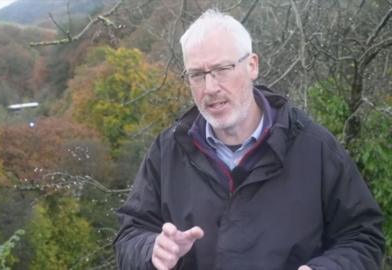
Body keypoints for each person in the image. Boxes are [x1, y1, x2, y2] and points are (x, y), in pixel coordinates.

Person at [113, 9, 384, 270]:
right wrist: (152, 249)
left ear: (252, 65)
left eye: (222, 68)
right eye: (197, 74)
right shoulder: (168, 152)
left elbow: (363, 237)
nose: (210, 88)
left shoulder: (315, 148)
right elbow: (129, 237)